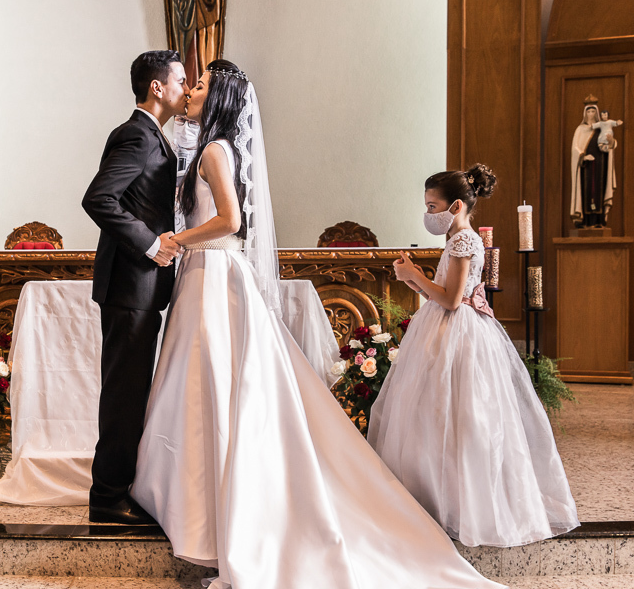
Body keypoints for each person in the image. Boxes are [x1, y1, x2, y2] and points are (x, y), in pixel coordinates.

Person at [131, 60, 505, 589]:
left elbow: (231, 222)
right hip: (210, 274)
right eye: (190, 83)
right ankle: (197, 491)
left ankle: (204, 498)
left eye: (201, 86)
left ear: (219, 100)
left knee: (210, 386)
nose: (191, 91)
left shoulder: (215, 151)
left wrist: (175, 242)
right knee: (205, 386)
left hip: (213, 273)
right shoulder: (216, 148)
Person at [368, 164, 579, 547]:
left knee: (458, 414)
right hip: (444, 328)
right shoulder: (456, 239)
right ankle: (433, 496)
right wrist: (416, 275)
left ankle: (457, 504)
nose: (428, 214)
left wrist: (413, 276)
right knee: (435, 415)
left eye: (433, 206)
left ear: (457, 205)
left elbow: (451, 299)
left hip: (457, 332)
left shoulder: (463, 241)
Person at [81, 50, 189, 524]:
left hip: (141, 287)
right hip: (131, 285)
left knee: (131, 392)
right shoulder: (137, 133)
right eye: (182, 81)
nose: (187, 89)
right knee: (124, 395)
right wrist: (150, 244)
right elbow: (98, 197)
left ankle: (121, 487)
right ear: (157, 88)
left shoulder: (152, 135)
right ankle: (107, 498)